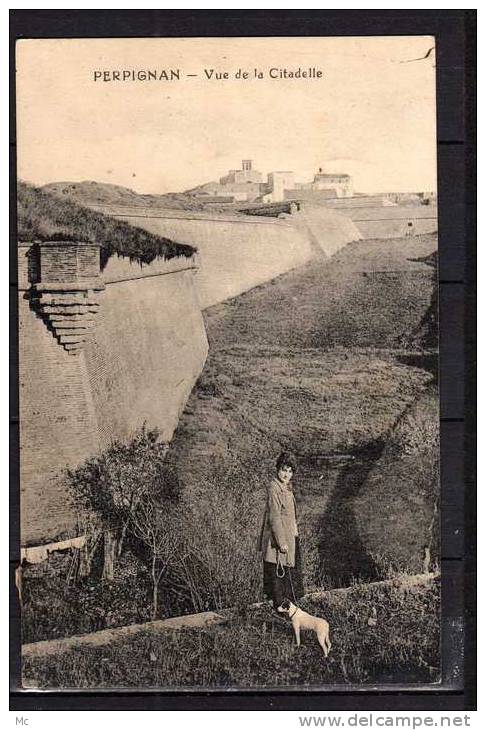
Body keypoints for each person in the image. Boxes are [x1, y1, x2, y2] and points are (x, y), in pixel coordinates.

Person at [259, 452, 304, 608]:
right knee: (280, 578)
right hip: (279, 542)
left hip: (291, 538)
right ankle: (281, 611)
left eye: (290, 471)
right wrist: (282, 542)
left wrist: (295, 535)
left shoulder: (286, 488)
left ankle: (290, 610)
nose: (287, 474)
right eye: (284, 470)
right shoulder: (274, 489)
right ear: (278, 468)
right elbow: (275, 518)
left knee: (290, 577)